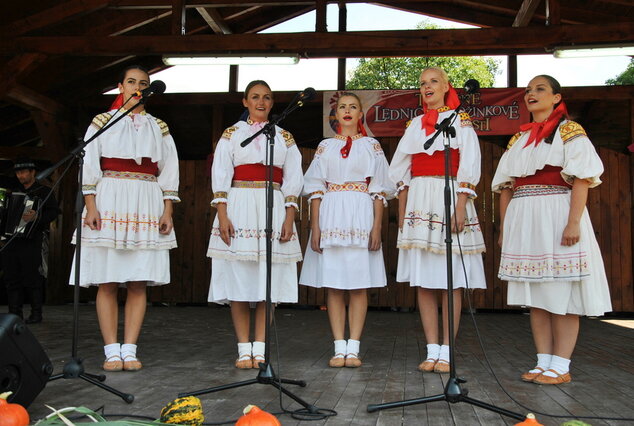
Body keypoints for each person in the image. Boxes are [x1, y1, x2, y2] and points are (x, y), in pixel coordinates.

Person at [492, 75, 611, 385]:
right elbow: (505, 186)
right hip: (525, 218)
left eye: (540, 89)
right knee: (536, 295)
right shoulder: (518, 139)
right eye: (528, 90)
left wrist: (573, 222)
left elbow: (583, 178)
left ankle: (561, 364)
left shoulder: (570, 131)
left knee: (562, 292)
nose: (531, 94)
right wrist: (506, 227)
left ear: (557, 98)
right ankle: (543, 361)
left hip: (557, 214)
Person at [70, 65, 180, 372]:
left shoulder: (159, 127)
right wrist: (91, 205)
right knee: (107, 280)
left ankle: (130, 348)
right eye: (131, 82)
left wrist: (167, 208)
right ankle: (111, 350)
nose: (137, 87)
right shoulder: (102, 122)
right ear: (120, 86)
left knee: (137, 280)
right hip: (110, 198)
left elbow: (169, 170)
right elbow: (89, 164)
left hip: (146, 198)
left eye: (143, 83)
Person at [389, 67, 486, 373]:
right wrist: (403, 209)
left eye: (433, 81)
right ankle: (431, 349)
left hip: (449, 196)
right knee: (425, 282)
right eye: (422, 83)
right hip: (420, 200)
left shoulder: (461, 121)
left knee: (451, 281)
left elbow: (470, 164)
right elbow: (400, 170)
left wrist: (460, 206)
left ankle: (448, 350)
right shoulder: (415, 124)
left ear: (446, 86)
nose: (427, 86)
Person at [207, 80, 303, 369]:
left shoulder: (284, 137)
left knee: (266, 283)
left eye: (267, 98)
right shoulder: (231, 134)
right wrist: (223, 214)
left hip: (271, 207)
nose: (261, 102)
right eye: (255, 97)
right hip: (239, 204)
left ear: (273, 104)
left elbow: (293, 177)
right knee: (239, 280)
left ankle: (260, 348)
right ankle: (243, 348)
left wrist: (290, 215)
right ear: (245, 102)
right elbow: (221, 172)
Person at [300, 92, 394, 368]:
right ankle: (338, 345)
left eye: (353, 107)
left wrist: (376, 227)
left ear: (361, 112)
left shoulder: (371, 146)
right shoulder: (325, 146)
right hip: (331, 215)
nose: (348, 111)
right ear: (336, 113)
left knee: (358, 284)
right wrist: (315, 228)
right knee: (334, 285)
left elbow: (379, 190)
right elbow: (315, 189)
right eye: (343, 107)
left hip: (360, 214)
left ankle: (354, 347)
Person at [1, 157, 58, 324]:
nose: (20, 175)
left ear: (33, 172)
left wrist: (37, 216)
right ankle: (14, 314)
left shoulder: (43, 191)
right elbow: (4, 215)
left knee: (32, 277)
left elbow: (53, 213)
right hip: (11, 241)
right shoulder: (13, 191)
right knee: (11, 278)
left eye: (24, 172)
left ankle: (36, 313)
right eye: (18, 172)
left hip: (31, 240)